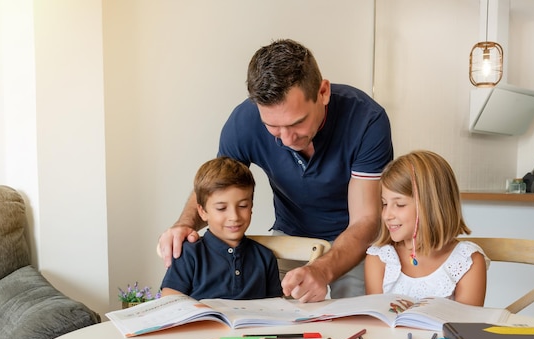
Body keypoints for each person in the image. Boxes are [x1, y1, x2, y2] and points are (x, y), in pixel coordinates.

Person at [158, 39, 392, 302]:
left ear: (323, 92)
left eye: (297, 123)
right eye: (273, 127)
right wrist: (184, 225)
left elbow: (365, 221)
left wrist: (323, 270)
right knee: (281, 319)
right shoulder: (244, 123)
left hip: (354, 242)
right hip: (291, 234)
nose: (287, 139)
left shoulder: (366, 120)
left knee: (351, 318)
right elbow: (216, 188)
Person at [364, 150, 487, 306]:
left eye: (399, 204)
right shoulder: (379, 259)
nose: (386, 215)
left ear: (431, 206)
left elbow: (465, 327)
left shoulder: (467, 261)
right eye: (384, 204)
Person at [160, 157, 282, 300]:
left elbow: (275, 305)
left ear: (251, 206)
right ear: (202, 212)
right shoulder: (189, 254)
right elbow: (169, 299)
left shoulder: (265, 257)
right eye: (221, 208)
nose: (234, 216)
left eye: (243, 206)